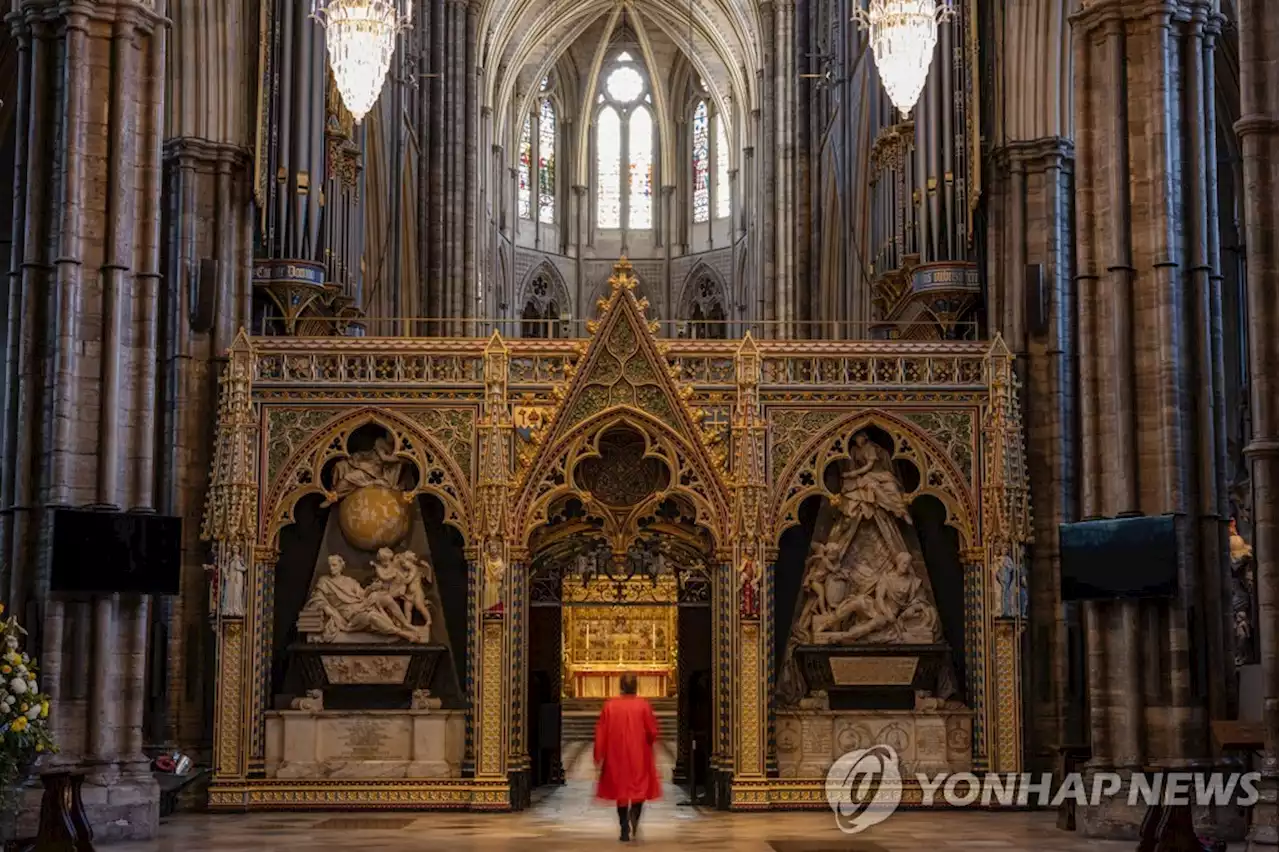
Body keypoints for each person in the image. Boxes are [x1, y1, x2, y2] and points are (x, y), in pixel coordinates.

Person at [594, 673, 661, 842]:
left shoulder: (610, 705)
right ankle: (635, 815)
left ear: (621, 686)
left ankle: (624, 827)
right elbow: (652, 731)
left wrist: (599, 753)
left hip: (616, 753)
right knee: (639, 787)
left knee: (621, 790)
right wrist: (649, 742)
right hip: (639, 753)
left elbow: (601, 731)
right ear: (636, 686)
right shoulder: (643, 705)